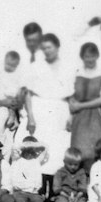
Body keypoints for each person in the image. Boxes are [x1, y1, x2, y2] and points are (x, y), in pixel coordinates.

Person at [18, 33, 74, 166]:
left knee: (57, 149)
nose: (47, 51)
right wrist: (30, 117)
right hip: (39, 109)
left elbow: (71, 95)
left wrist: (71, 117)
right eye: (44, 48)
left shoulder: (67, 67)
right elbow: (28, 93)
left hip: (60, 110)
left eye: (50, 47)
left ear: (57, 47)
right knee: (36, 146)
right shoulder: (36, 66)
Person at [11, 136, 47, 202]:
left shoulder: (37, 161)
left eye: (31, 149)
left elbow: (45, 147)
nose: (29, 152)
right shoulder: (17, 159)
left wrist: (33, 145)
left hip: (33, 193)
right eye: (27, 149)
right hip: (20, 192)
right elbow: (13, 147)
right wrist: (25, 145)